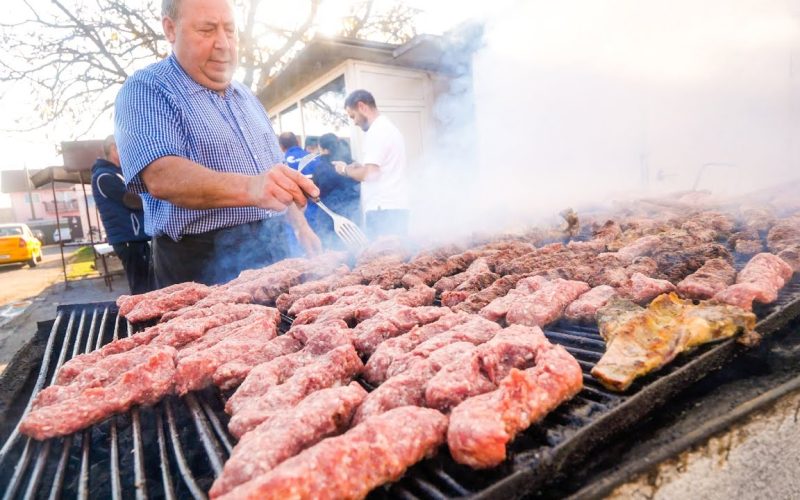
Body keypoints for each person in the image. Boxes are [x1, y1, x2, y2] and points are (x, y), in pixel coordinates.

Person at [114, 0, 321, 288]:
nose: (223, 44)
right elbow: (161, 176)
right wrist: (253, 187)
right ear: (170, 29)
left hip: (271, 247)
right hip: (200, 263)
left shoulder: (247, 97)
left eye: (230, 30)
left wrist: (301, 227)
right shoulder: (146, 88)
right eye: (207, 29)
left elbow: (276, 174)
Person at [333, 89, 410, 240]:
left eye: (353, 116)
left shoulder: (377, 131)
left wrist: (344, 170)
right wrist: (356, 167)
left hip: (383, 210)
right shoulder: (388, 127)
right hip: (394, 207)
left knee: (382, 260)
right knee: (396, 256)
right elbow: (377, 168)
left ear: (362, 107)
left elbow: (371, 174)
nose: (354, 122)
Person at [91, 135, 153, 294]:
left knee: (148, 284)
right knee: (141, 287)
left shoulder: (118, 173)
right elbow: (130, 200)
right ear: (114, 149)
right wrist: (157, 196)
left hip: (137, 239)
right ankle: (141, 317)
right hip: (128, 240)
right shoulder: (104, 176)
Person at [311, 133, 361, 249]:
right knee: (353, 249)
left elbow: (315, 191)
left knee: (331, 252)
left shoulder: (321, 168)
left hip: (327, 217)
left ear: (324, 149)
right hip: (351, 215)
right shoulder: (350, 164)